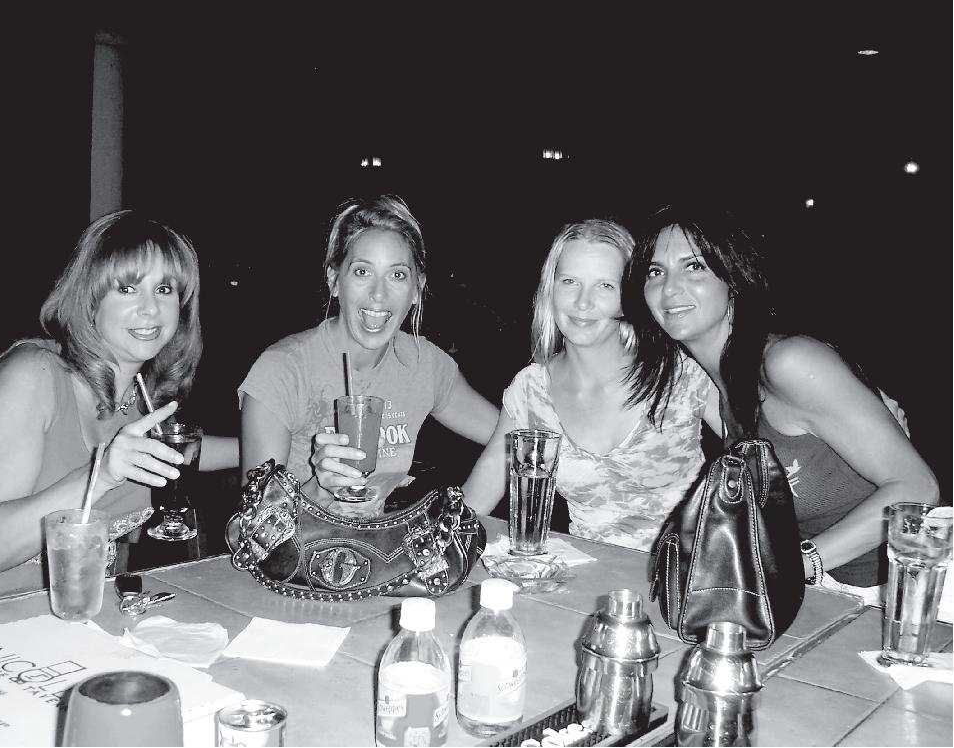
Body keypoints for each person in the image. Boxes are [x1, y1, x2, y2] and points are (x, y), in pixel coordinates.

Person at [0, 211, 238, 612]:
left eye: (165, 289)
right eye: (127, 288)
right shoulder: (32, 375)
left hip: (54, 619)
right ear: (89, 300)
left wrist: (278, 444)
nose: (151, 309)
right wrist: (101, 475)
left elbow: (186, 451)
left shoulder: (139, 405)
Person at [624, 204, 939, 601]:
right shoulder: (714, 386)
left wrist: (797, 567)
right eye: (655, 272)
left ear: (732, 277)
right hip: (838, 593)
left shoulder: (788, 362)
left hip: (921, 586)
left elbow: (918, 488)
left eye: (694, 266)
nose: (670, 288)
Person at [462, 219, 718, 551]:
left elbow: (761, 465)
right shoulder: (530, 391)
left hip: (691, 572)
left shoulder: (679, 373)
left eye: (605, 286)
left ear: (630, 295)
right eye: (570, 282)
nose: (583, 303)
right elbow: (470, 509)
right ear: (550, 289)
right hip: (589, 576)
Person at [238, 194, 498, 513]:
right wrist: (319, 490)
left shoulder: (424, 363)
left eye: (397, 275)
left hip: (378, 543)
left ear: (417, 289)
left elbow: (513, 437)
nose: (378, 293)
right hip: (297, 544)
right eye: (362, 272)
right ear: (334, 281)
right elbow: (251, 525)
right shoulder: (283, 370)